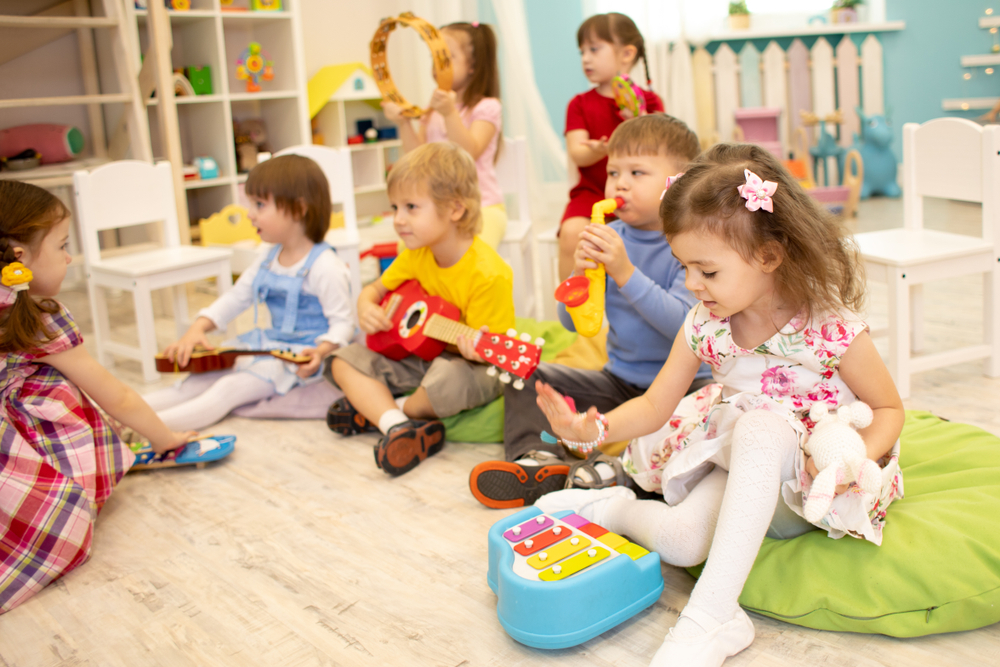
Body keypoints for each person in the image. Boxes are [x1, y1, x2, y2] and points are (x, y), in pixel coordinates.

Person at [533, 143, 905, 667]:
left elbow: (889, 409)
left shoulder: (830, 326)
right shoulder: (705, 324)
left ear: (769, 257)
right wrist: (588, 429)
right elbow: (656, 405)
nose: (690, 285)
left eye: (706, 272)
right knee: (683, 543)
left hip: (812, 484)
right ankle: (611, 507)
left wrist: (855, 458)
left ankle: (711, 614)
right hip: (740, 467)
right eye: (684, 267)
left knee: (761, 425)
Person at [469, 113, 712, 508]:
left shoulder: (687, 244)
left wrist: (625, 272)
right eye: (613, 171)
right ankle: (537, 461)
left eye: (637, 172)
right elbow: (575, 326)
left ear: (677, 183)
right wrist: (579, 280)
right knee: (524, 374)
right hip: (618, 383)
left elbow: (683, 326)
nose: (620, 183)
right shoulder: (609, 238)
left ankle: (622, 474)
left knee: (704, 425)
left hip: (683, 392)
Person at [0, 181, 196, 614]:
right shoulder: (36, 320)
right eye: (62, 246)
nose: (70, 258)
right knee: (59, 388)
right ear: (19, 259)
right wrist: (166, 439)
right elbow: (117, 397)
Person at [324, 142, 515, 476]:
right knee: (342, 360)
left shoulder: (489, 273)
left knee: (447, 377)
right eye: (395, 207)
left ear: (455, 209)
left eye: (411, 207)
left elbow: (493, 354)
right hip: (419, 356)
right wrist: (365, 304)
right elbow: (375, 288)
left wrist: (473, 350)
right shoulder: (416, 253)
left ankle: (384, 411)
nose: (398, 219)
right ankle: (398, 426)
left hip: (471, 365)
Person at [146, 155, 355, 431]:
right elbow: (237, 297)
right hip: (266, 345)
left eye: (259, 204)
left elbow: (344, 323)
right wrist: (199, 327)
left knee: (227, 390)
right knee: (194, 382)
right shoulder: (268, 257)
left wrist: (321, 350)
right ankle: (110, 415)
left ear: (299, 208)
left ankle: (141, 429)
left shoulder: (326, 266)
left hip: (299, 359)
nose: (249, 214)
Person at [382, 22, 507, 249]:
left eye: (447, 58)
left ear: (473, 66)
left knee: (473, 253)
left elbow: (469, 154)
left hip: (482, 207)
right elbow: (416, 158)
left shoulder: (487, 107)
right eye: (434, 57)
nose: (437, 65)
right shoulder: (432, 110)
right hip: (437, 210)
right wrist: (403, 123)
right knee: (406, 250)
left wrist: (449, 112)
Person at [559, 12, 665, 281]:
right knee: (573, 232)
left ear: (627, 54)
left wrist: (638, 120)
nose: (585, 58)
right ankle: (570, 306)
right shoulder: (579, 104)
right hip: (591, 193)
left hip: (639, 194)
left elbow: (660, 155)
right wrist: (595, 151)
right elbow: (577, 153)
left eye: (594, 49)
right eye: (582, 51)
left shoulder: (651, 103)